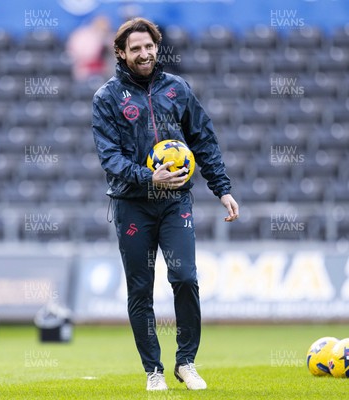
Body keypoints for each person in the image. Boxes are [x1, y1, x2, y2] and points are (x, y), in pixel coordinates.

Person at [91, 18, 239, 391]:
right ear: (121, 54)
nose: (144, 54)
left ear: (157, 47)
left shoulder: (178, 89)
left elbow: (204, 139)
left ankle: (185, 362)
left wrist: (222, 189)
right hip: (133, 205)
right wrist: (147, 177)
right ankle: (153, 370)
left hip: (175, 202)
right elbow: (109, 158)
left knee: (185, 277)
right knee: (140, 289)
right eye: (135, 49)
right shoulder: (106, 98)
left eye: (149, 46)